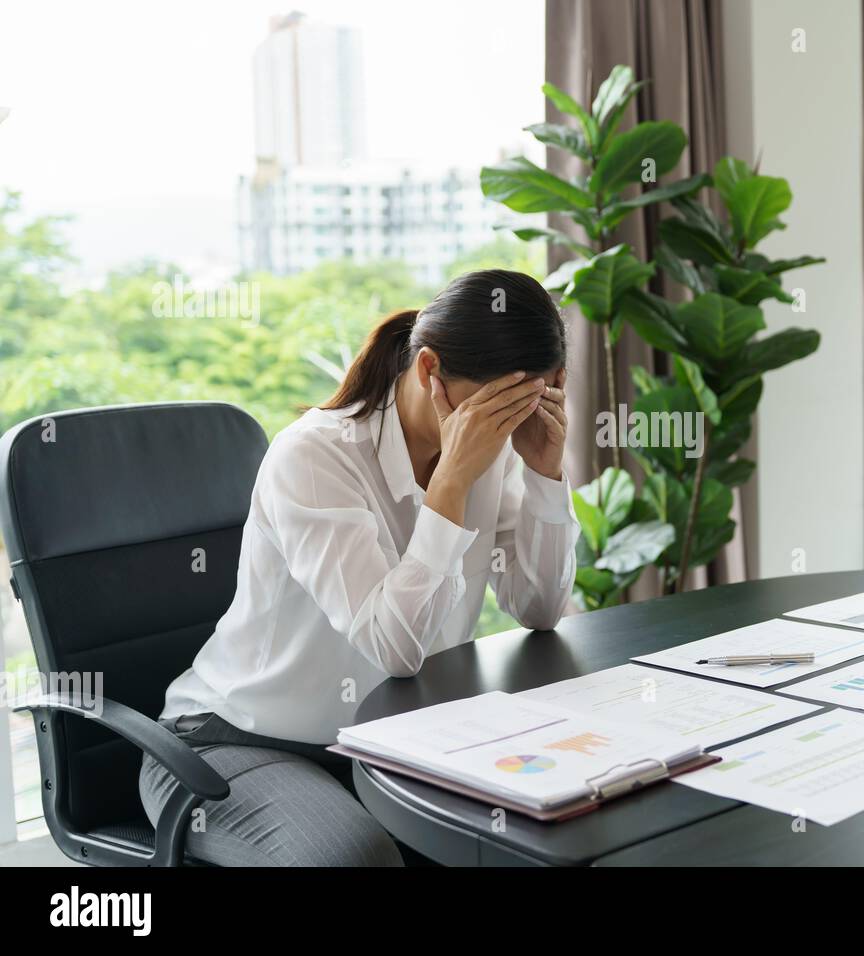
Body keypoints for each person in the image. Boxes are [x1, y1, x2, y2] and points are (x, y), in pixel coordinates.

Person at [139, 270, 579, 866]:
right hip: (233, 745)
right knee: (356, 858)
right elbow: (392, 647)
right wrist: (450, 484)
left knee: (543, 826)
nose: (506, 428)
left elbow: (539, 607)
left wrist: (546, 476)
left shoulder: (493, 446)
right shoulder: (315, 456)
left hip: (385, 742)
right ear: (430, 371)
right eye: (496, 407)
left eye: (526, 403)